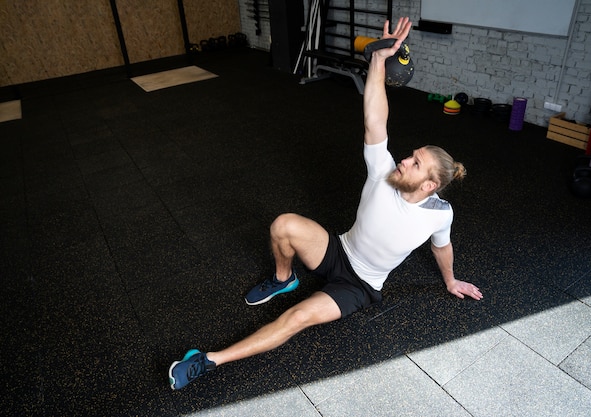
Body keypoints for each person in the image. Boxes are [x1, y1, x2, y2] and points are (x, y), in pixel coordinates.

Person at [168, 17, 483, 390]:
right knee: (283, 224)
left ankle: (208, 360)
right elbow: (375, 117)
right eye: (410, 154)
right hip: (337, 251)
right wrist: (379, 60)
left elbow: (442, 247)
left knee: (297, 317)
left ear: (430, 184)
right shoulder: (383, 170)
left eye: (414, 163)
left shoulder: (439, 215)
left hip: (360, 286)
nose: (403, 160)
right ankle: (283, 279)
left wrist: (449, 281)